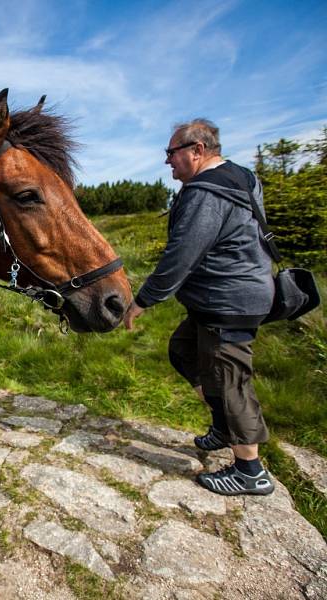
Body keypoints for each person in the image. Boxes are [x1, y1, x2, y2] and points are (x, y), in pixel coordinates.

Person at [124, 119, 276, 496]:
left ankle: (250, 471)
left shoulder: (204, 191)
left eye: (170, 153)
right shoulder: (242, 178)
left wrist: (143, 300)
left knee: (230, 380)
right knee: (183, 349)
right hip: (231, 293)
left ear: (197, 150)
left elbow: (183, 253)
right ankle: (225, 427)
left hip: (228, 299)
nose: (167, 162)